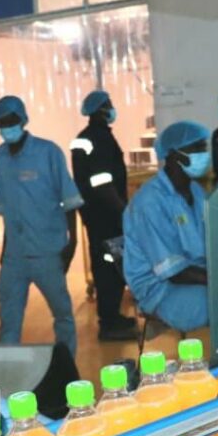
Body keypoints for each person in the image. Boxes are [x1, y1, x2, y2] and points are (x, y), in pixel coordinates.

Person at [0, 95, 83, 357]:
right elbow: (5, 208)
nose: (7, 127)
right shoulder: (0, 156)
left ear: (23, 120)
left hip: (47, 251)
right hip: (15, 256)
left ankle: (67, 364)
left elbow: (69, 200)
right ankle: (8, 366)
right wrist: (4, 251)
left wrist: (72, 242)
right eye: (1, 122)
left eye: (11, 121)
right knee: (9, 319)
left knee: (62, 314)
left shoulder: (48, 153)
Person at [123, 121, 211, 332]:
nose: (204, 154)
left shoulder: (196, 191)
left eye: (204, 148)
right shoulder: (150, 202)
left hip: (194, 275)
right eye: (197, 148)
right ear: (173, 154)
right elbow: (173, 271)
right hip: (161, 289)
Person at [71, 91, 138, 341]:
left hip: (96, 215)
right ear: (100, 110)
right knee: (109, 268)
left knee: (107, 266)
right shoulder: (98, 139)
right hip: (106, 216)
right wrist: (123, 211)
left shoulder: (86, 138)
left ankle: (112, 316)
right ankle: (109, 323)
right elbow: (102, 183)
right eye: (108, 105)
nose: (112, 109)